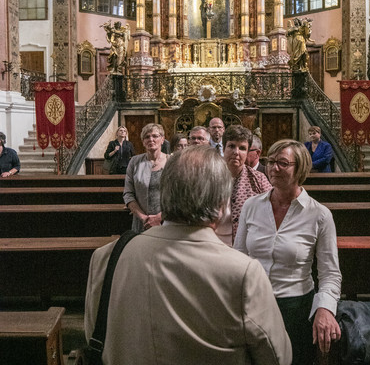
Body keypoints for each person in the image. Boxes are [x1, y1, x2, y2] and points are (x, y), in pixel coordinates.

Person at [85, 147, 293, 365]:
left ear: (164, 192)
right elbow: (278, 358)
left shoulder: (107, 256)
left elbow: (94, 335)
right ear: (222, 204)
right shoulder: (243, 273)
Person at [234, 139, 342, 365]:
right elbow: (239, 258)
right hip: (254, 303)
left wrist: (325, 308)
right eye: (271, 161)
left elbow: (330, 274)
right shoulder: (251, 206)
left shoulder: (319, 215)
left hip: (296, 307)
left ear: (300, 167)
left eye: (282, 163)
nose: (273, 168)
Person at [217, 125, 271, 245]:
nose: (236, 152)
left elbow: (271, 211)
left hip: (247, 245)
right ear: (223, 148)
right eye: (231, 146)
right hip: (215, 244)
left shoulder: (258, 179)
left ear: (247, 152)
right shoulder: (210, 176)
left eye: (242, 148)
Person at [123, 123, 167, 232]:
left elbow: (179, 197)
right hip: (141, 222)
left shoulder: (172, 161)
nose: (151, 139)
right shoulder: (134, 162)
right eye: (147, 137)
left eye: (155, 136)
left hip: (166, 222)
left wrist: (159, 218)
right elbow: (128, 194)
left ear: (162, 139)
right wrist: (144, 218)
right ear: (143, 142)